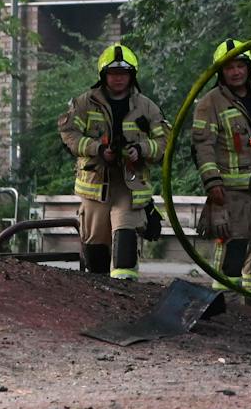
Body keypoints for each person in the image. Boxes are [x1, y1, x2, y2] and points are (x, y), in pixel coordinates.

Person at [58, 43, 169, 280]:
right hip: (96, 184)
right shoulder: (85, 104)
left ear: (132, 76)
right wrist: (97, 149)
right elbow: (69, 134)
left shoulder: (146, 107)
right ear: (103, 75)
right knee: (96, 244)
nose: (118, 79)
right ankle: (98, 292)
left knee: (125, 240)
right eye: (113, 73)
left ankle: (126, 291)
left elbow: (163, 143)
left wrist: (141, 149)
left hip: (130, 185)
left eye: (124, 74)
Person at [190, 37, 251, 298]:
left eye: (240, 66)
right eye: (229, 68)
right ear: (221, 72)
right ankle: (224, 296)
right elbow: (202, 146)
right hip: (229, 191)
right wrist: (213, 184)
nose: (236, 72)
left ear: (249, 67)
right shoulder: (210, 102)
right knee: (234, 244)